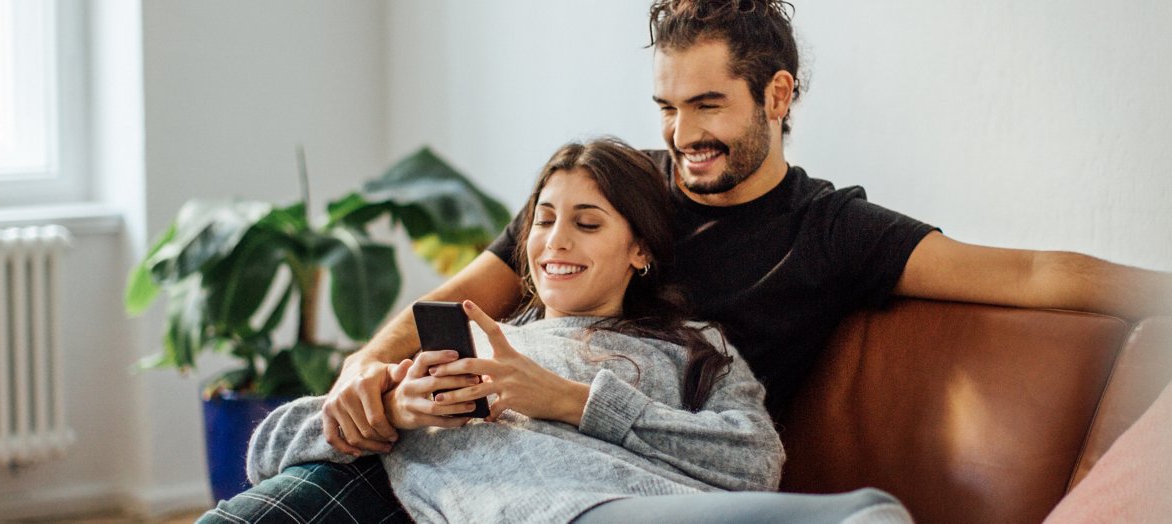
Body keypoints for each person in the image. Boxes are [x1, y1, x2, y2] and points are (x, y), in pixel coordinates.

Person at [210, 0, 1172, 520]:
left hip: (627, 481)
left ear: (776, 96)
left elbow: (1037, 276)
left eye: (706, 107)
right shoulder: (612, 199)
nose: (680, 136)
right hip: (451, 461)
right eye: (667, 108)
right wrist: (359, 379)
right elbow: (458, 299)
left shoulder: (832, 230)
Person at [201, 138, 910, 523]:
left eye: (587, 222)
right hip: (420, 500)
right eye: (544, 219)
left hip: (600, 507)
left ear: (640, 252)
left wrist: (569, 400)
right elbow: (270, 448)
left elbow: (755, 461)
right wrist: (387, 407)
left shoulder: (694, 348)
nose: (553, 242)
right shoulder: (472, 340)